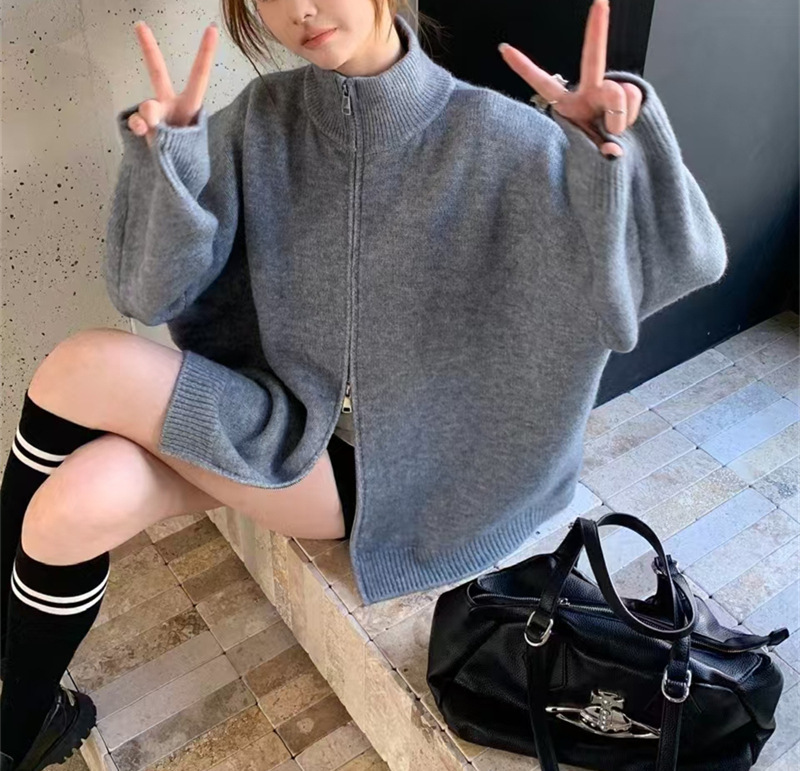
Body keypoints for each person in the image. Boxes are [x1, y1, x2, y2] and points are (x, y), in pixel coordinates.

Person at [0, 0, 729, 767]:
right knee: (69, 507)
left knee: (82, 365)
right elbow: (148, 294)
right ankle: (27, 725)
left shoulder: (495, 136)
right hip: (279, 417)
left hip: (390, 482)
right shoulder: (263, 119)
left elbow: (682, 264)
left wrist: (611, 150)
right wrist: (169, 165)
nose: (301, 10)